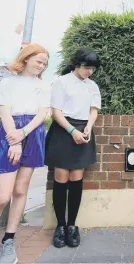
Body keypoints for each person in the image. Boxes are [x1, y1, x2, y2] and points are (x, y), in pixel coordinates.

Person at [0, 44, 50, 263]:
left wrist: (24, 133)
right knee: (2, 196)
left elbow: (42, 113)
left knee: (21, 190)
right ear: (26, 58)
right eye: (38, 61)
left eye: (44, 63)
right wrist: (14, 138)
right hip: (9, 131)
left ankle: (9, 240)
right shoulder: (7, 82)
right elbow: (4, 110)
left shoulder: (44, 86)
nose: (41, 66)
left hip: (33, 132)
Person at [45, 48, 101, 248]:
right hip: (63, 130)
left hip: (83, 128)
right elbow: (56, 112)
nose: (89, 72)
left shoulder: (92, 85)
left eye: (92, 69)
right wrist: (71, 131)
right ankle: (60, 226)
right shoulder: (62, 82)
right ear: (77, 64)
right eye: (87, 67)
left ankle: (72, 226)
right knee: (61, 177)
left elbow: (93, 110)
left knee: (77, 177)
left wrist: (88, 127)